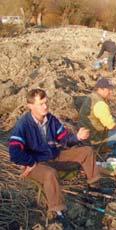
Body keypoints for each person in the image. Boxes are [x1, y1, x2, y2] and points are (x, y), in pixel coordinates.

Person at [8, 88, 100, 227]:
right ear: (30, 106)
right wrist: (30, 161)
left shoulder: (51, 119)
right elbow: (14, 153)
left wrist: (77, 137)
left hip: (55, 156)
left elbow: (64, 139)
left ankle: (94, 189)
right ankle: (58, 212)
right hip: (36, 164)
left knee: (87, 151)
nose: (45, 106)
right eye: (41, 104)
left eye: (46, 102)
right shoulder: (23, 125)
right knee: (50, 173)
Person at [79, 78, 116, 158]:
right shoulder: (101, 104)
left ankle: (110, 151)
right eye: (109, 90)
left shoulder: (91, 97)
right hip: (96, 142)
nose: (111, 92)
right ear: (100, 89)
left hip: (86, 139)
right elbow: (111, 127)